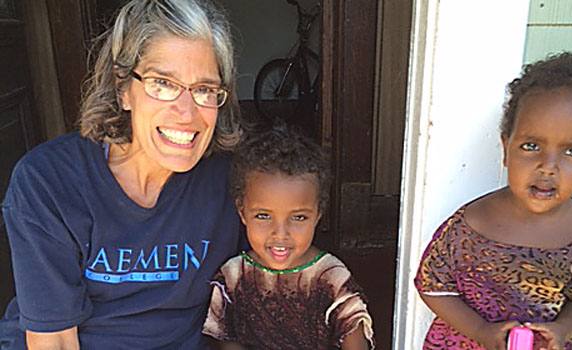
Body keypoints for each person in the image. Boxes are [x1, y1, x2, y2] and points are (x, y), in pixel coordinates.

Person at [0, 1, 247, 349]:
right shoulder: (49, 182)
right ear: (123, 88)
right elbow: (53, 340)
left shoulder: (230, 179)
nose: (187, 112)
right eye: (162, 83)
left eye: (204, 89)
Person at [414, 52, 572, 350]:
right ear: (506, 147)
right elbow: (431, 286)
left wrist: (563, 328)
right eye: (531, 146)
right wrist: (480, 330)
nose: (548, 166)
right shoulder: (471, 224)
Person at [201, 127, 375, 350]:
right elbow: (226, 339)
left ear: (318, 215)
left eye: (299, 217)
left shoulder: (331, 277)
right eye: (263, 216)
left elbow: (354, 335)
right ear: (243, 213)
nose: (280, 233)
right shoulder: (234, 276)